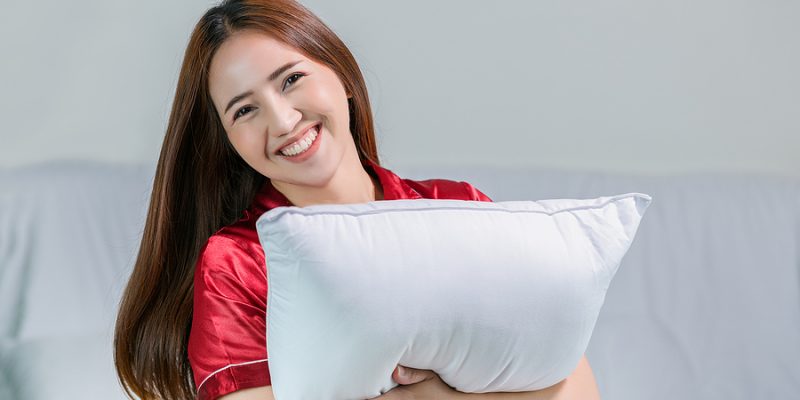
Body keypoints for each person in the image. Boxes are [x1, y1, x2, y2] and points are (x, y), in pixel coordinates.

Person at [113, 1, 601, 399]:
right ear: (229, 140)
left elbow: (575, 386)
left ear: (341, 76)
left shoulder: (461, 208)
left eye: (291, 80)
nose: (283, 122)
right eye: (245, 110)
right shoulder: (238, 264)